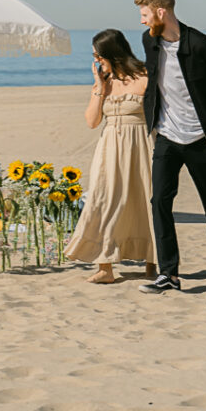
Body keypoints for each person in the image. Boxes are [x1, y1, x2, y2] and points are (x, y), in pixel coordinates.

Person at [133, 0, 206, 294]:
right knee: (159, 201)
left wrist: (201, 114)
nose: (142, 20)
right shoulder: (150, 43)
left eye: (145, 13)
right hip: (166, 136)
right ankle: (169, 274)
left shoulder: (202, 44)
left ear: (161, 12)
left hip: (199, 138)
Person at [64, 29, 157, 283]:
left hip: (141, 144)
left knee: (145, 202)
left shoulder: (146, 76)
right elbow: (92, 121)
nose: (96, 60)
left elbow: (160, 114)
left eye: (98, 55)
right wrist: (99, 86)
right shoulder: (104, 82)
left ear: (112, 53)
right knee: (102, 200)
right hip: (110, 147)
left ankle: (153, 262)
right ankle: (105, 267)